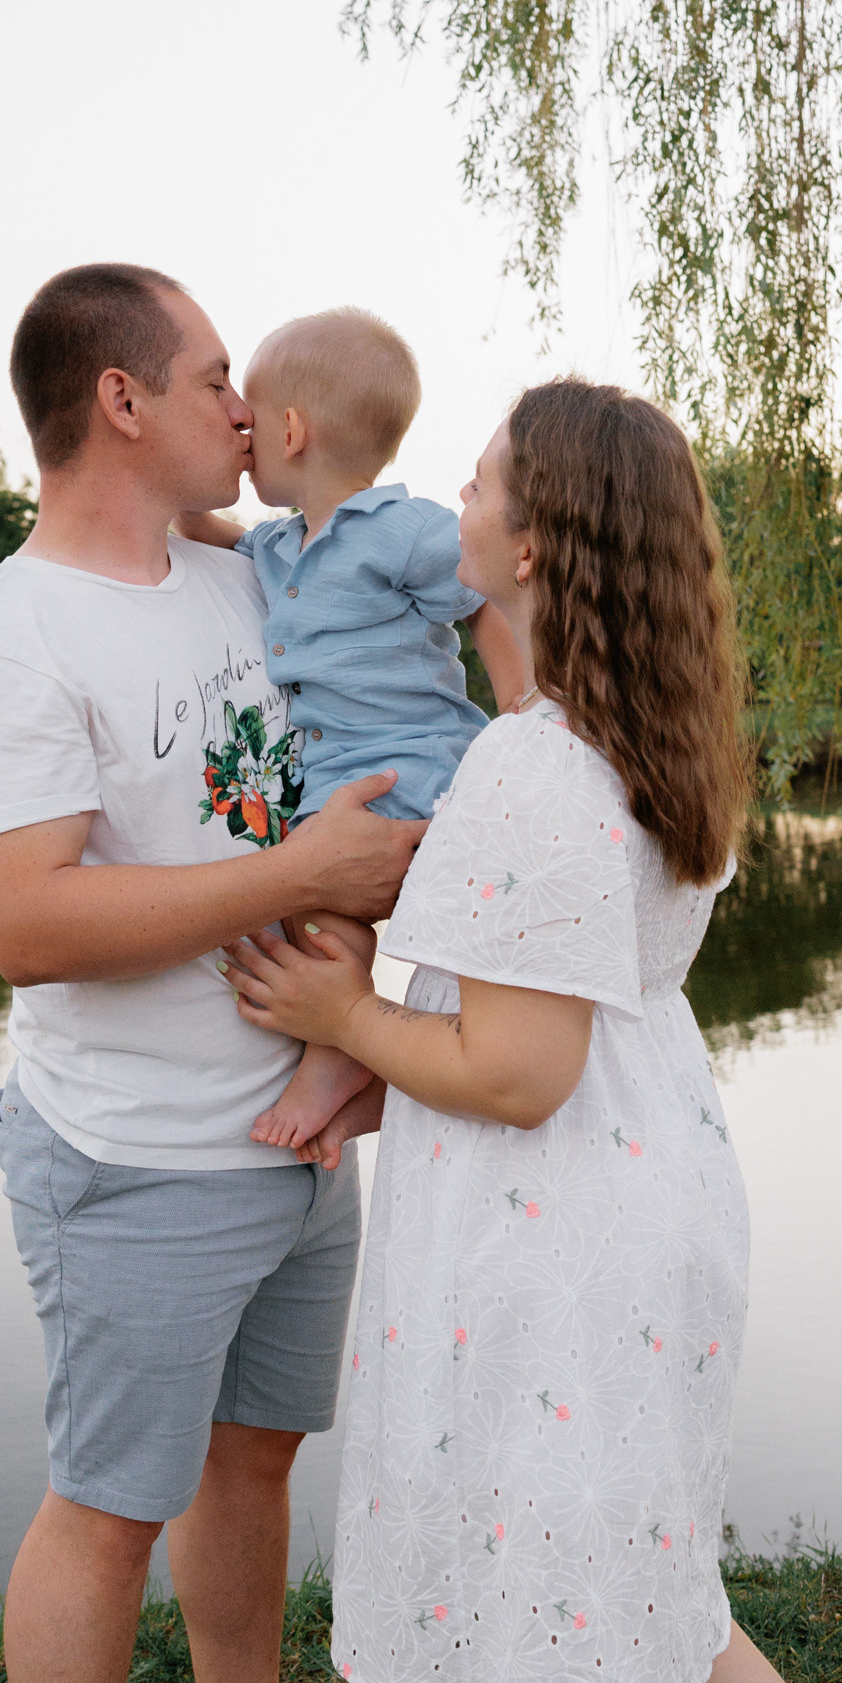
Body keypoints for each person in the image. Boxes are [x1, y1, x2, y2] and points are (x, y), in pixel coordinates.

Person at [221, 378, 842, 1683]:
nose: (451, 505)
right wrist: (387, 1045)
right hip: (644, 1170)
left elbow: (522, 1070)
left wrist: (339, 1020)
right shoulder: (652, 738)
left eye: (476, 483)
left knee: (573, 1564)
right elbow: (556, 1012)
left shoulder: (534, 770)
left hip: (560, 1214)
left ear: (537, 540)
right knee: (617, 1531)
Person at [0, 262, 428, 1683]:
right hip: (136, 1167)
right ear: (121, 400)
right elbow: (33, 921)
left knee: (254, 1463)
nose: (246, 400)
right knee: (106, 1511)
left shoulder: (241, 575)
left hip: (297, 1130)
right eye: (216, 372)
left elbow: (383, 584)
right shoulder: (8, 644)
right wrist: (320, 879)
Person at [179, 305, 524, 1153]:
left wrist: (525, 719)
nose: (240, 431)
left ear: (290, 430)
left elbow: (485, 596)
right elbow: (208, 530)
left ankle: (339, 1050)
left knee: (320, 897)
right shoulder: (280, 547)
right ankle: (363, 1052)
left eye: (247, 421)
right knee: (308, 889)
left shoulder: (402, 530)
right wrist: (182, 482)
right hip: (339, 772)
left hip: (410, 757)